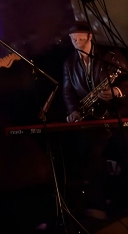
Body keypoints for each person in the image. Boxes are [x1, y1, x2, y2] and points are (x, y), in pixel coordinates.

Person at [62, 21, 128, 223]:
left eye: (80, 39)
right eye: (73, 39)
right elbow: (67, 90)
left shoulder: (110, 55)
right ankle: (98, 207)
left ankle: (123, 204)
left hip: (116, 114)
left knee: (125, 156)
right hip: (92, 118)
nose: (76, 43)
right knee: (92, 160)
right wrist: (73, 111)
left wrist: (117, 91)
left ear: (90, 37)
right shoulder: (69, 63)